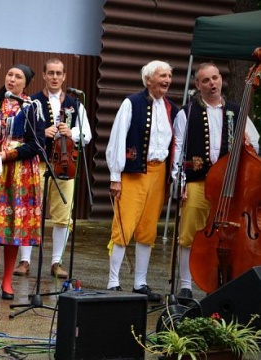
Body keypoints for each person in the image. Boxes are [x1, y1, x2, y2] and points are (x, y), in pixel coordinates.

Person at [172, 62, 260, 299]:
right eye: (206, 80)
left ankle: (228, 281)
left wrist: (248, 145)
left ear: (221, 79)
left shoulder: (235, 111)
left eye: (215, 78)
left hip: (228, 187)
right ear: (198, 85)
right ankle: (186, 284)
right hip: (198, 182)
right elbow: (178, 149)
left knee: (228, 236)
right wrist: (180, 184)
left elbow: (256, 144)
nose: (212, 84)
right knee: (190, 233)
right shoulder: (187, 112)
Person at [105, 60, 178, 302]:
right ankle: (113, 281)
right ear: (148, 80)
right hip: (134, 173)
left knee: (148, 229)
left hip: (159, 175)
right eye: (162, 76)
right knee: (125, 225)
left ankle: (140, 282)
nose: (167, 80)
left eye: (168, 76)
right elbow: (117, 139)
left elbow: (176, 146)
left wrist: (174, 179)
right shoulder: (131, 103)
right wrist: (115, 176)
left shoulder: (172, 109)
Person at [13, 58, 92, 279]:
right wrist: (42, 133)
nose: (55, 77)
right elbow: (19, 132)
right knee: (30, 211)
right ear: (45, 75)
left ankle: (56, 262)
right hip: (35, 163)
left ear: (64, 76)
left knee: (63, 215)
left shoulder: (76, 103)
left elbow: (86, 135)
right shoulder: (32, 101)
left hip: (64, 164)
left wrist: (71, 133)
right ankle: (25, 260)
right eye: (51, 73)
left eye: (59, 73)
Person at [0, 64, 45, 300]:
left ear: (26, 84)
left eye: (18, 77)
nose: (12, 79)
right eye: (10, 75)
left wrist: (8, 154)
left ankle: (7, 281)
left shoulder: (31, 107)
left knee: (14, 226)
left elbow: (37, 144)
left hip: (20, 173)